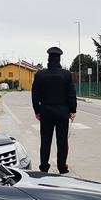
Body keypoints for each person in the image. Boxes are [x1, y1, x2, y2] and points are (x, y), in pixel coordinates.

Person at [31, 46, 77, 174]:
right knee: (62, 142)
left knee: (45, 141)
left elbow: (35, 94)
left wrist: (37, 110)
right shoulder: (66, 75)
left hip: (45, 112)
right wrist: (72, 110)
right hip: (62, 113)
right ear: (59, 60)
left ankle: (44, 167)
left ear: (48, 59)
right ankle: (62, 167)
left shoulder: (40, 75)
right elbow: (71, 94)